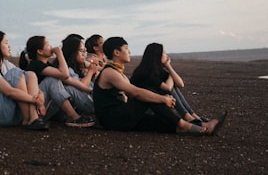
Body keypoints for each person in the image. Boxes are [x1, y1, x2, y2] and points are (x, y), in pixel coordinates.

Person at [92, 37, 227, 135]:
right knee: (148, 94)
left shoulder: (118, 72)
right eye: (126, 49)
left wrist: (160, 98)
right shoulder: (110, 72)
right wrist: (162, 99)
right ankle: (185, 124)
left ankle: (199, 127)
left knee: (157, 122)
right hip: (113, 119)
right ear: (116, 52)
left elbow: (129, 95)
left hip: (119, 117)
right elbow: (137, 93)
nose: (130, 52)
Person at [0, 31, 48, 130]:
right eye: (6, 43)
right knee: (15, 73)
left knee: (31, 74)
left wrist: (40, 93)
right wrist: (36, 100)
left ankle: (33, 119)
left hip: (6, 111)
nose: (9, 46)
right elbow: (9, 92)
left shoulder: (6, 64)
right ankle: (28, 119)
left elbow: (25, 80)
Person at [19, 35, 95, 127]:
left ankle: (90, 108)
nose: (51, 47)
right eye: (47, 45)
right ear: (40, 51)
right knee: (52, 80)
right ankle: (74, 117)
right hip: (35, 108)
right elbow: (65, 74)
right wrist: (59, 54)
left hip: (45, 106)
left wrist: (90, 91)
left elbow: (69, 80)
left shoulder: (47, 65)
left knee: (68, 87)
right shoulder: (36, 65)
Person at [130, 43, 208, 125]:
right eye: (164, 52)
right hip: (142, 109)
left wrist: (169, 67)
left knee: (173, 86)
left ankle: (194, 116)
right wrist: (168, 66)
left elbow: (181, 84)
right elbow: (168, 88)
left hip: (153, 105)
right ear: (157, 55)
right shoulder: (145, 73)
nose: (166, 55)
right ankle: (187, 116)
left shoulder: (157, 70)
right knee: (170, 88)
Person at [57, 36, 98, 114]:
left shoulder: (76, 67)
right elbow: (82, 84)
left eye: (85, 51)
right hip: (88, 105)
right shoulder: (66, 69)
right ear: (72, 52)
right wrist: (90, 71)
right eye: (81, 51)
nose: (84, 54)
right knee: (70, 88)